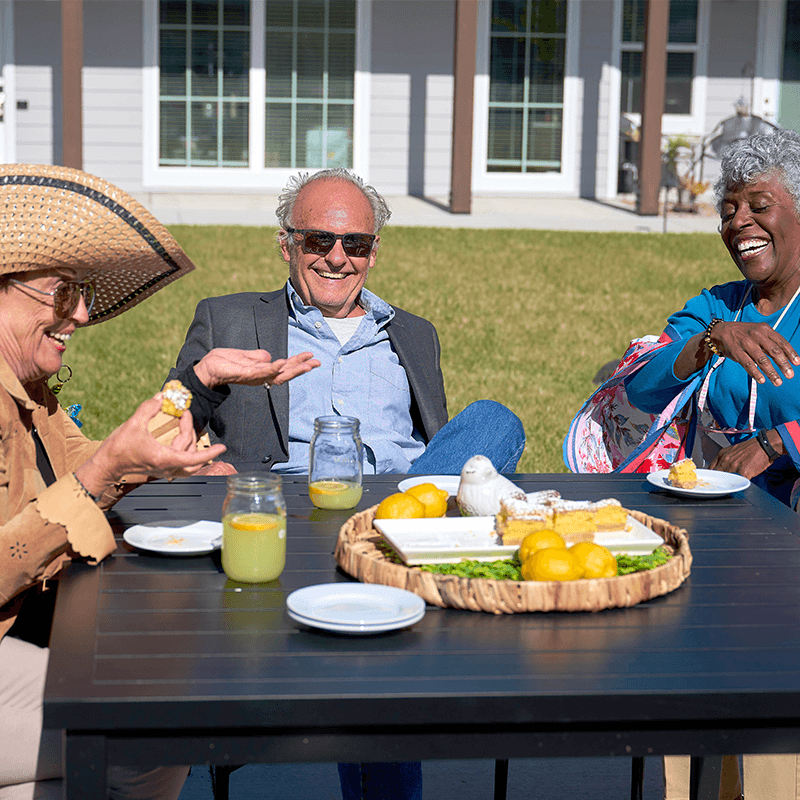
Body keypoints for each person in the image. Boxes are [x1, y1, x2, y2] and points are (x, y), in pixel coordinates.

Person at [165, 168, 526, 800]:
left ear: (373, 251)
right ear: (287, 245)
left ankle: (395, 546)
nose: (337, 258)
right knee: (380, 668)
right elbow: (168, 429)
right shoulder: (228, 320)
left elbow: (433, 441)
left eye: (355, 244)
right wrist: (203, 384)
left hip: (405, 502)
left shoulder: (412, 333)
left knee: (496, 420)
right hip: (295, 508)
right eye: (318, 242)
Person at [0, 164, 315, 800]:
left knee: (156, 714)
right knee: (150, 731)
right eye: (63, 293)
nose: (83, 314)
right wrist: (102, 472)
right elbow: (92, 474)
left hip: (30, 633)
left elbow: (92, 459)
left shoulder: (28, 394)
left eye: (82, 293)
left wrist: (198, 384)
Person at [576, 128, 800, 799]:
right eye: (729, 210)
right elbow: (640, 389)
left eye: (758, 204)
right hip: (726, 518)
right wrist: (709, 342)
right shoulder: (716, 304)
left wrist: (778, 442)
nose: (740, 224)